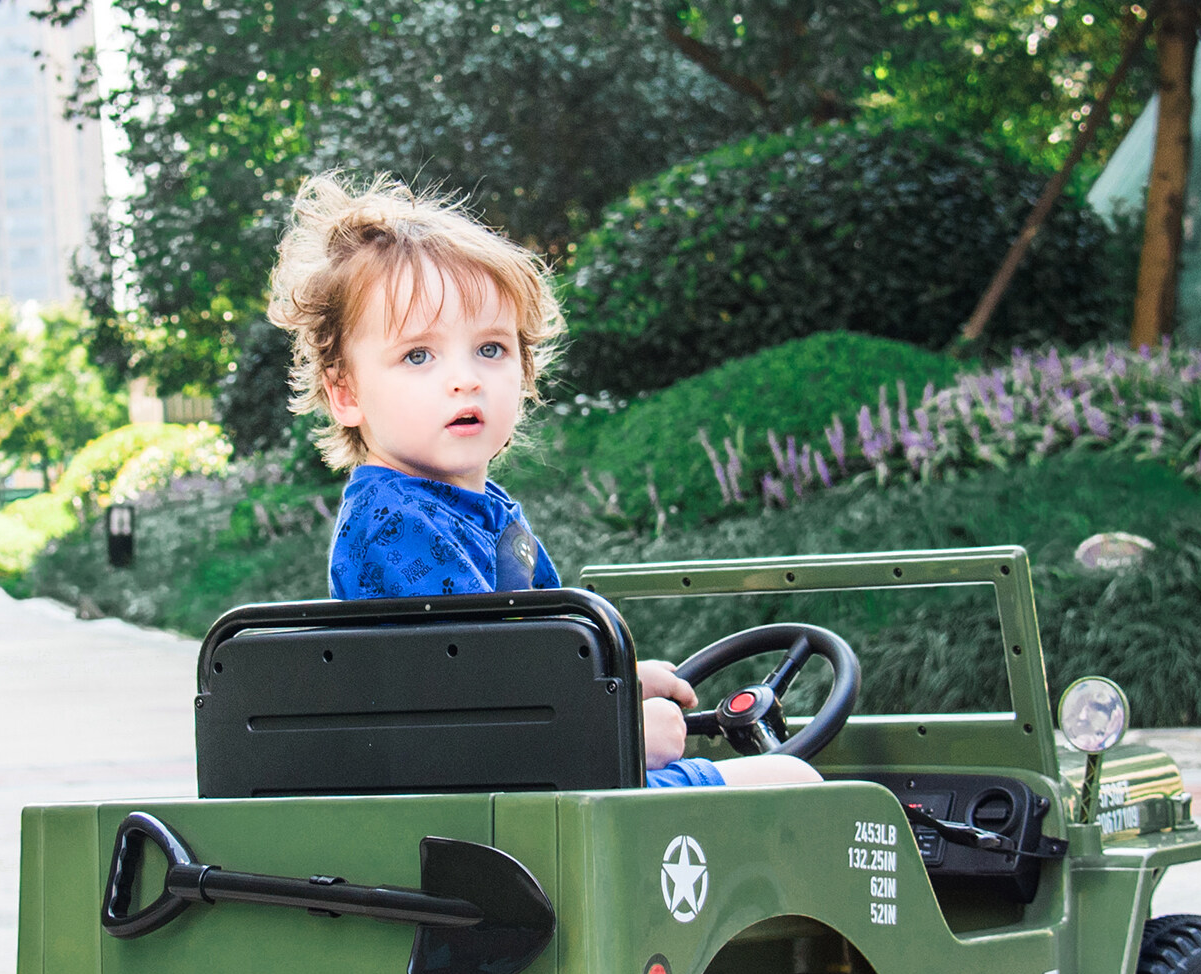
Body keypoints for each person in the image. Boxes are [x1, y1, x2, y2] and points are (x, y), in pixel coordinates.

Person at [267, 174, 820, 790]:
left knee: (785, 775)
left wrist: (620, 680)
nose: (465, 379)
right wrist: (625, 734)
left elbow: (541, 655)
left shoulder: (484, 512)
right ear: (346, 393)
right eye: (419, 355)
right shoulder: (396, 523)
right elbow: (480, 701)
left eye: (491, 349)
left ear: (525, 371)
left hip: (528, 787)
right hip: (495, 810)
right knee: (793, 784)